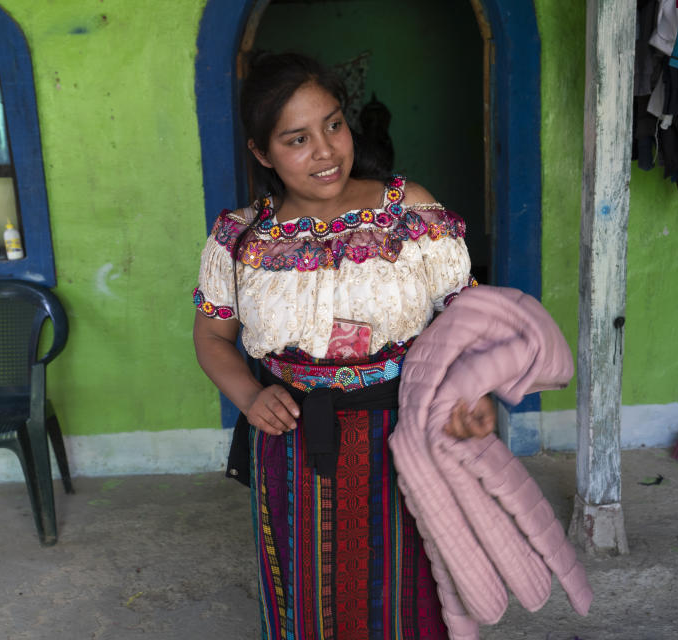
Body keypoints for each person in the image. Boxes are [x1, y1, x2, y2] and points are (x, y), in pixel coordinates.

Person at [192, 52, 495, 639]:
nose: (325, 151)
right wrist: (250, 397)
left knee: (414, 590)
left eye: (333, 124)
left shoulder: (410, 215)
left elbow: (468, 320)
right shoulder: (240, 238)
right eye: (296, 139)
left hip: (405, 433)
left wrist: (471, 388)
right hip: (294, 443)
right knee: (307, 596)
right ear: (262, 153)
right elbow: (211, 335)